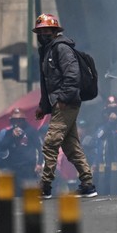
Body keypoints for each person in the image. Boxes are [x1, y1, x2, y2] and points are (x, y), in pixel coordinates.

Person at [33, 13, 97, 199]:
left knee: (51, 142)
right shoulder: (46, 51)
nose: (43, 33)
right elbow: (47, 83)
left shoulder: (61, 48)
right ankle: (88, 184)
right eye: (41, 30)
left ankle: (45, 186)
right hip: (58, 104)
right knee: (71, 147)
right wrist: (43, 106)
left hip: (66, 103)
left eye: (47, 30)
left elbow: (72, 76)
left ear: (54, 31)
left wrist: (63, 99)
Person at [0, 108, 42, 195]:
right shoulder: (9, 132)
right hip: (13, 168)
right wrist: (12, 136)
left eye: (19, 120)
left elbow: (40, 149)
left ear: (23, 120)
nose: (17, 123)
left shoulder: (31, 131)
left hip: (28, 168)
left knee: (29, 193)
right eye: (14, 121)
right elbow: (2, 146)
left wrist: (39, 163)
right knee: (16, 194)